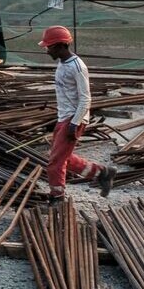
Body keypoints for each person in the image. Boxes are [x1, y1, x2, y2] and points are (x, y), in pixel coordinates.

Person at [39, 26, 117, 198]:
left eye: (49, 46)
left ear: (60, 46)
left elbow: (86, 99)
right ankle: (102, 173)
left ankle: (57, 197)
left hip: (74, 119)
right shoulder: (62, 63)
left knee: (55, 162)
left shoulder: (78, 67)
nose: (46, 50)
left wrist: (74, 123)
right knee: (62, 157)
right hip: (64, 117)